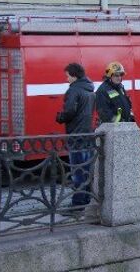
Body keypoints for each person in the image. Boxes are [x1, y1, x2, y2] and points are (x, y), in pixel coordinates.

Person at [55, 63, 95, 207]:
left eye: (68, 76)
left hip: (76, 134)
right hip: (87, 133)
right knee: (86, 169)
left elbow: (70, 111)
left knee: (77, 170)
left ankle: (78, 203)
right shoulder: (90, 89)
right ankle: (86, 199)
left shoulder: (74, 90)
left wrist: (60, 117)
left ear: (74, 75)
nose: (67, 79)